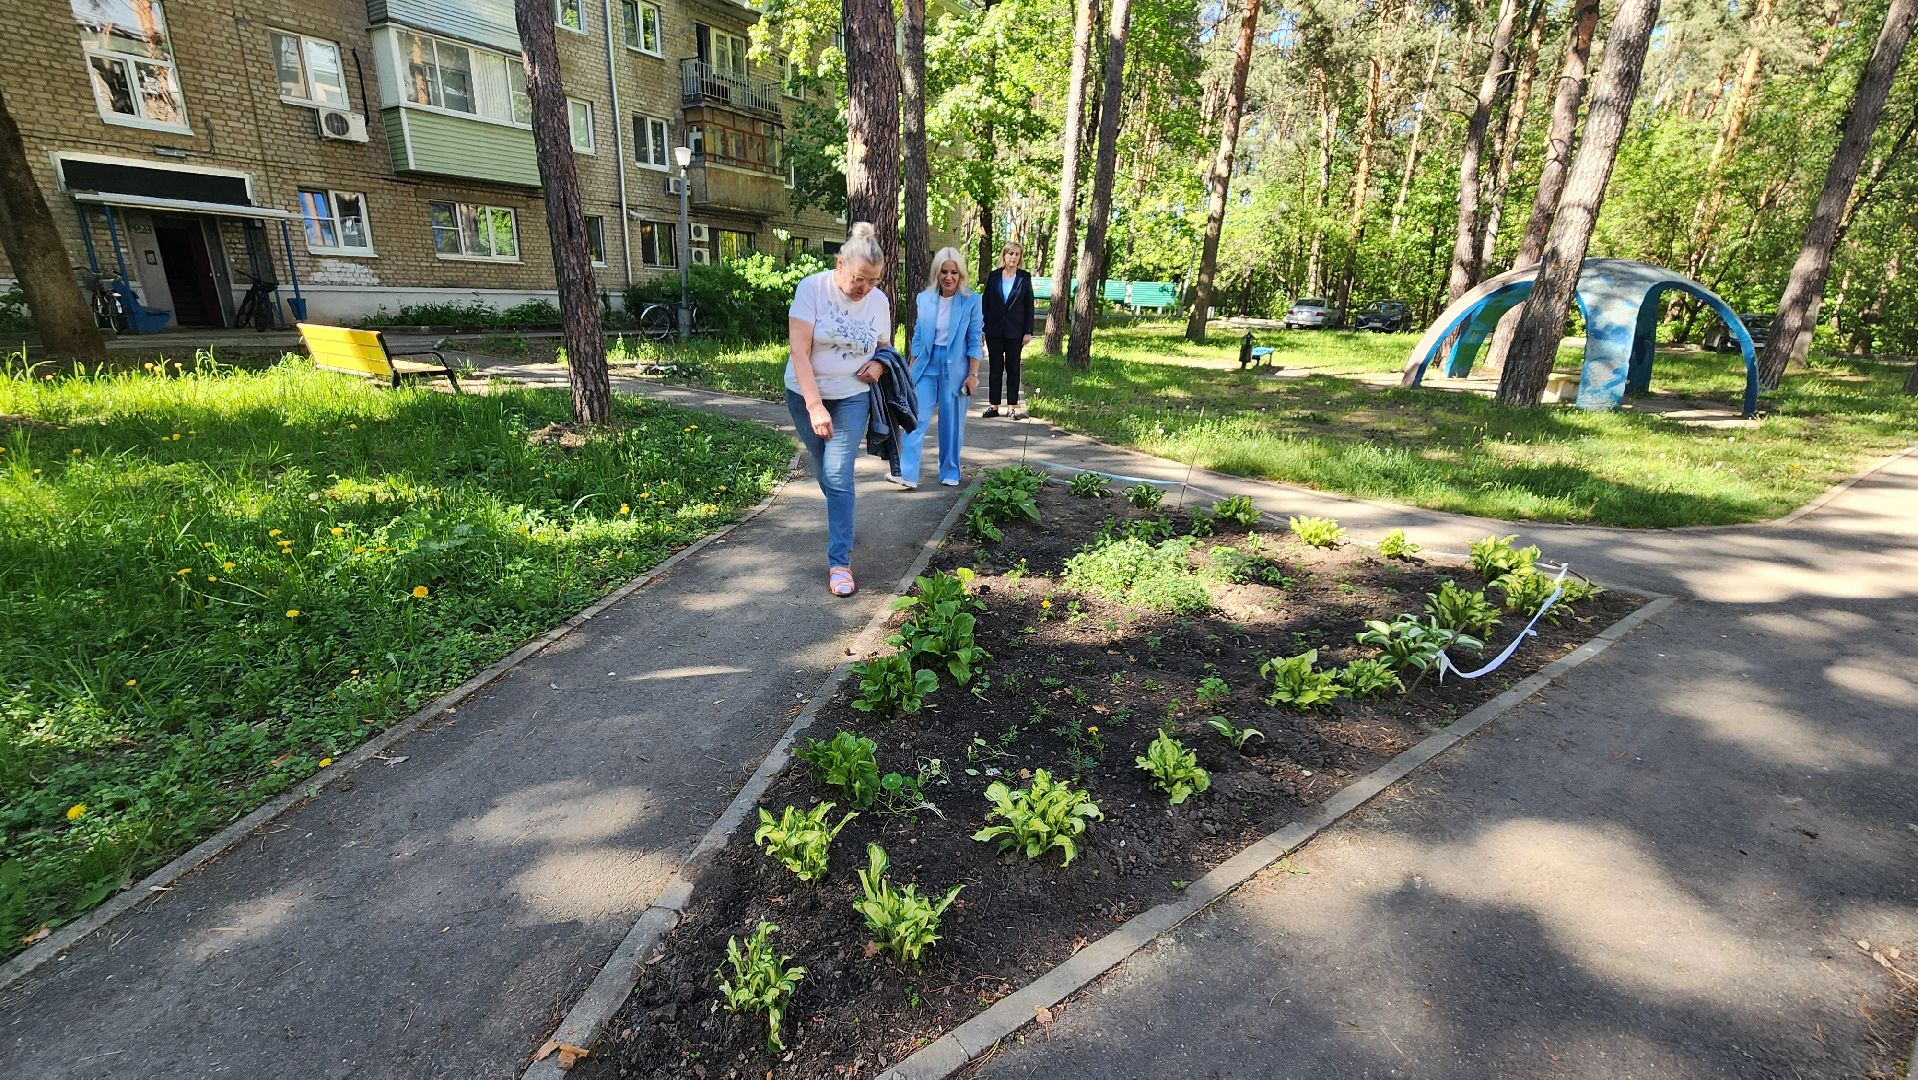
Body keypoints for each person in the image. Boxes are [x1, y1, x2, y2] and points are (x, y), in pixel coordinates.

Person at [785, 222, 891, 597]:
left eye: (874, 281)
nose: (866, 288)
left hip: (852, 395)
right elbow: (799, 350)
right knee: (825, 471)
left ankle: (840, 562)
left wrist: (878, 365)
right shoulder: (812, 289)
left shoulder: (878, 301)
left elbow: (884, 347)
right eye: (860, 279)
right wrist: (815, 406)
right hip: (804, 395)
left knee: (838, 471)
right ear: (840, 263)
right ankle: (842, 519)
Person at [893, 247, 984, 490]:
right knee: (915, 418)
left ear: (961, 275)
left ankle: (950, 470)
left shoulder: (971, 301)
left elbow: (975, 339)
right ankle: (907, 474)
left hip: (956, 368)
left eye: (954, 272)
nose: (948, 277)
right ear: (937, 273)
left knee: (951, 423)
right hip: (927, 365)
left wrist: (972, 374)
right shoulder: (925, 298)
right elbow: (919, 335)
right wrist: (910, 370)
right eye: (944, 272)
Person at [980, 240, 1033, 419]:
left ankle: (1011, 406)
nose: (1014, 257)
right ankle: (994, 406)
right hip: (994, 330)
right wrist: (982, 328)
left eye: (1017, 254)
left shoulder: (1024, 278)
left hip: (1015, 331)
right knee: (995, 368)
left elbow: (1029, 306)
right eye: (1011, 253)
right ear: (1004, 255)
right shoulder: (994, 276)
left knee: (1013, 368)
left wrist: (1028, 331)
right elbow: (985, 303)